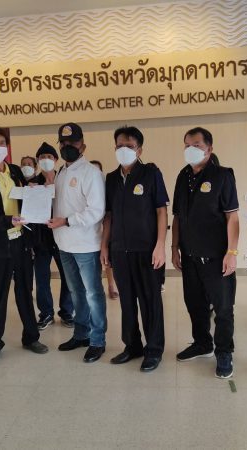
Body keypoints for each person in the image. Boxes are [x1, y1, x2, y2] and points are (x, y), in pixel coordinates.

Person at [0, 126, 48, 365]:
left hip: (21, 242)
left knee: (25, 292)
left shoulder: (15, 172)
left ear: (7, 146)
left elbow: (25, 200)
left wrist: (31, 192)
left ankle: (31, 337)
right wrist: (5, 221)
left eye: (1, 143)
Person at [171, 127, 239, 379]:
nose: (191, 149)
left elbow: (232, 217)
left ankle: (224, 351)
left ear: (209, 148)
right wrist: (174, 248)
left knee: (223, 308)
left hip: (216, 257)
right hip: (189, 256)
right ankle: (202, 343)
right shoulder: (182, 176)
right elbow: (177, 216)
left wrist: (232, 252)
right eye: (187, 144)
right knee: (195, 304)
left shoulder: (223, 175)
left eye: (197, 145)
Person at [101, 125, 169, 372]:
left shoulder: (151, 173)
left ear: (139, 149)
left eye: (129, 146)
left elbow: (161, 211)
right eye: (120, 145)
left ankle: (154, 349)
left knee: (150, 302)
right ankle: (132, 346)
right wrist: (104, 246)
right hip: (120, 250)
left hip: (147, 250)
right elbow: (109, 216)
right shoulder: (111, 179)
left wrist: (160, 246)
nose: (124, 149)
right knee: (127, 302)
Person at [47, 122, 107, 363]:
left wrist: (67, 221)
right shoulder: (61, 172)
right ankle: (81, 334)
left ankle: (97, 340)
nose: (67, 146)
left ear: (83, 145)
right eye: (63, 142)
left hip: (86, 246)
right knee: (76, 292)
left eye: (73, 142)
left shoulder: (91, 173)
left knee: (93, 294)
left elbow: (97, 211)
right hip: (64, 245)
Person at [32, 142, 74, 329]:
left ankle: (67, 311)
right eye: (42, 157)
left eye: (49, 157)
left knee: (68, 276)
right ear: (38, 161)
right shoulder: (32, 184)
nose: (46, 160)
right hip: (40, 238)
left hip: (63, 236)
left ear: (56, 159)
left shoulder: (64, 179)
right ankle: (46, 313)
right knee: (42, 278)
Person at [91, 159, 119, 299]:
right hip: (91, 229)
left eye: (97, 170)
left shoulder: (107, 185)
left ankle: (111, 286)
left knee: (108, 257)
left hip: (107, 226)